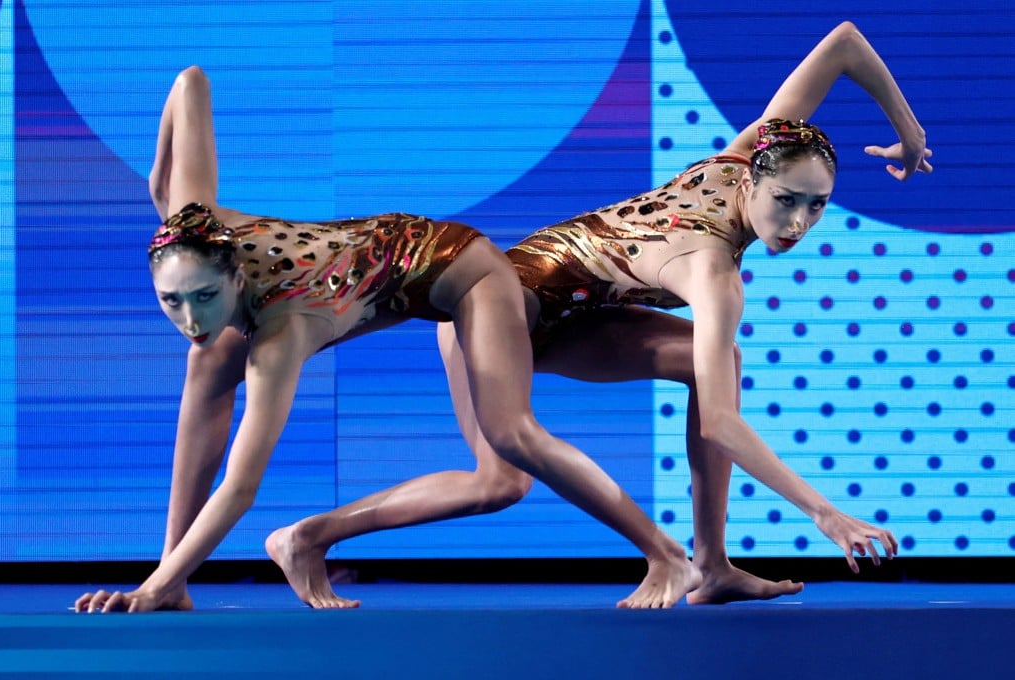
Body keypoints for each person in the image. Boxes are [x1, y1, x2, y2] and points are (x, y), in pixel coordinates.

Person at [262, 21, 930, 607]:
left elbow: (844, 43)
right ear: (753, 182)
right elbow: (722, 424)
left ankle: (713, 566)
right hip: (488, 314)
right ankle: (305, 537)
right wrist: (826, 515)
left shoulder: (749, 152)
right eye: (788, 201)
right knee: (499, 484)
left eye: (817, 206)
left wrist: (909, 133)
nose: (799, 223)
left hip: (570, 313)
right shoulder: (713, 272)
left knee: (715, 362)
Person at [74, 64, 702, 614]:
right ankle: (277, 546)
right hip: (389, 272)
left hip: (466, 269)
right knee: (206, 364)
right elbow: (190, 83)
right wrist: (169, 195)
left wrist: (154, 586)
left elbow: (241, 486)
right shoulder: (194, 234)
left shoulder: (283, 335)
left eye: (205, 298)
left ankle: (664, 554)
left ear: (235, 274)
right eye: (170, 301)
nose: (188, 315)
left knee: (509, 447)